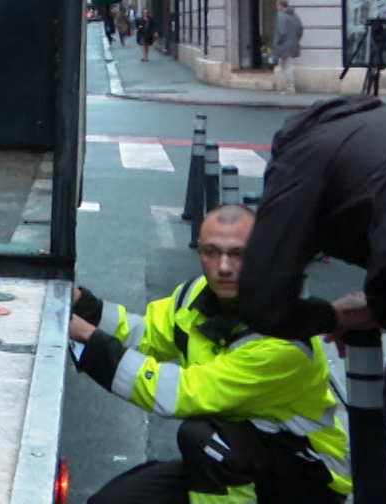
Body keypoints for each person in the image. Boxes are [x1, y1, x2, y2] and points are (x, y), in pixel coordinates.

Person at [70, 204, 351, 502]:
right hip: (237, 456)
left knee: (205, 437)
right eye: (212, 252)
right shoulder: (196, 293)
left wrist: (87, 336)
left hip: (308, 477)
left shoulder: (283, 339)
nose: (224, 267)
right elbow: (144, 334)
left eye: (238, 253)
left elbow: (177, 393)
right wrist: (81, 304)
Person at [234, 96, 386, 448]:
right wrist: (378, 304)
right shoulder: (378, 127)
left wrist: (333, 315)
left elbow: (263, 300)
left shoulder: (304, 155)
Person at [273, 0, 303, 95]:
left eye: (277, 5)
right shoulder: (295, 15)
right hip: (293, 44)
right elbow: (300, 29)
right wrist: (295, 40)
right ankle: (289, 87)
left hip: (283, 45)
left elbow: (280, 31)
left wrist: (276, 43)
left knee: (286, 67)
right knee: (287, 65)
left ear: (281, 6)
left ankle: (290, 88)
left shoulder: (281, 15)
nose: (277, 7)